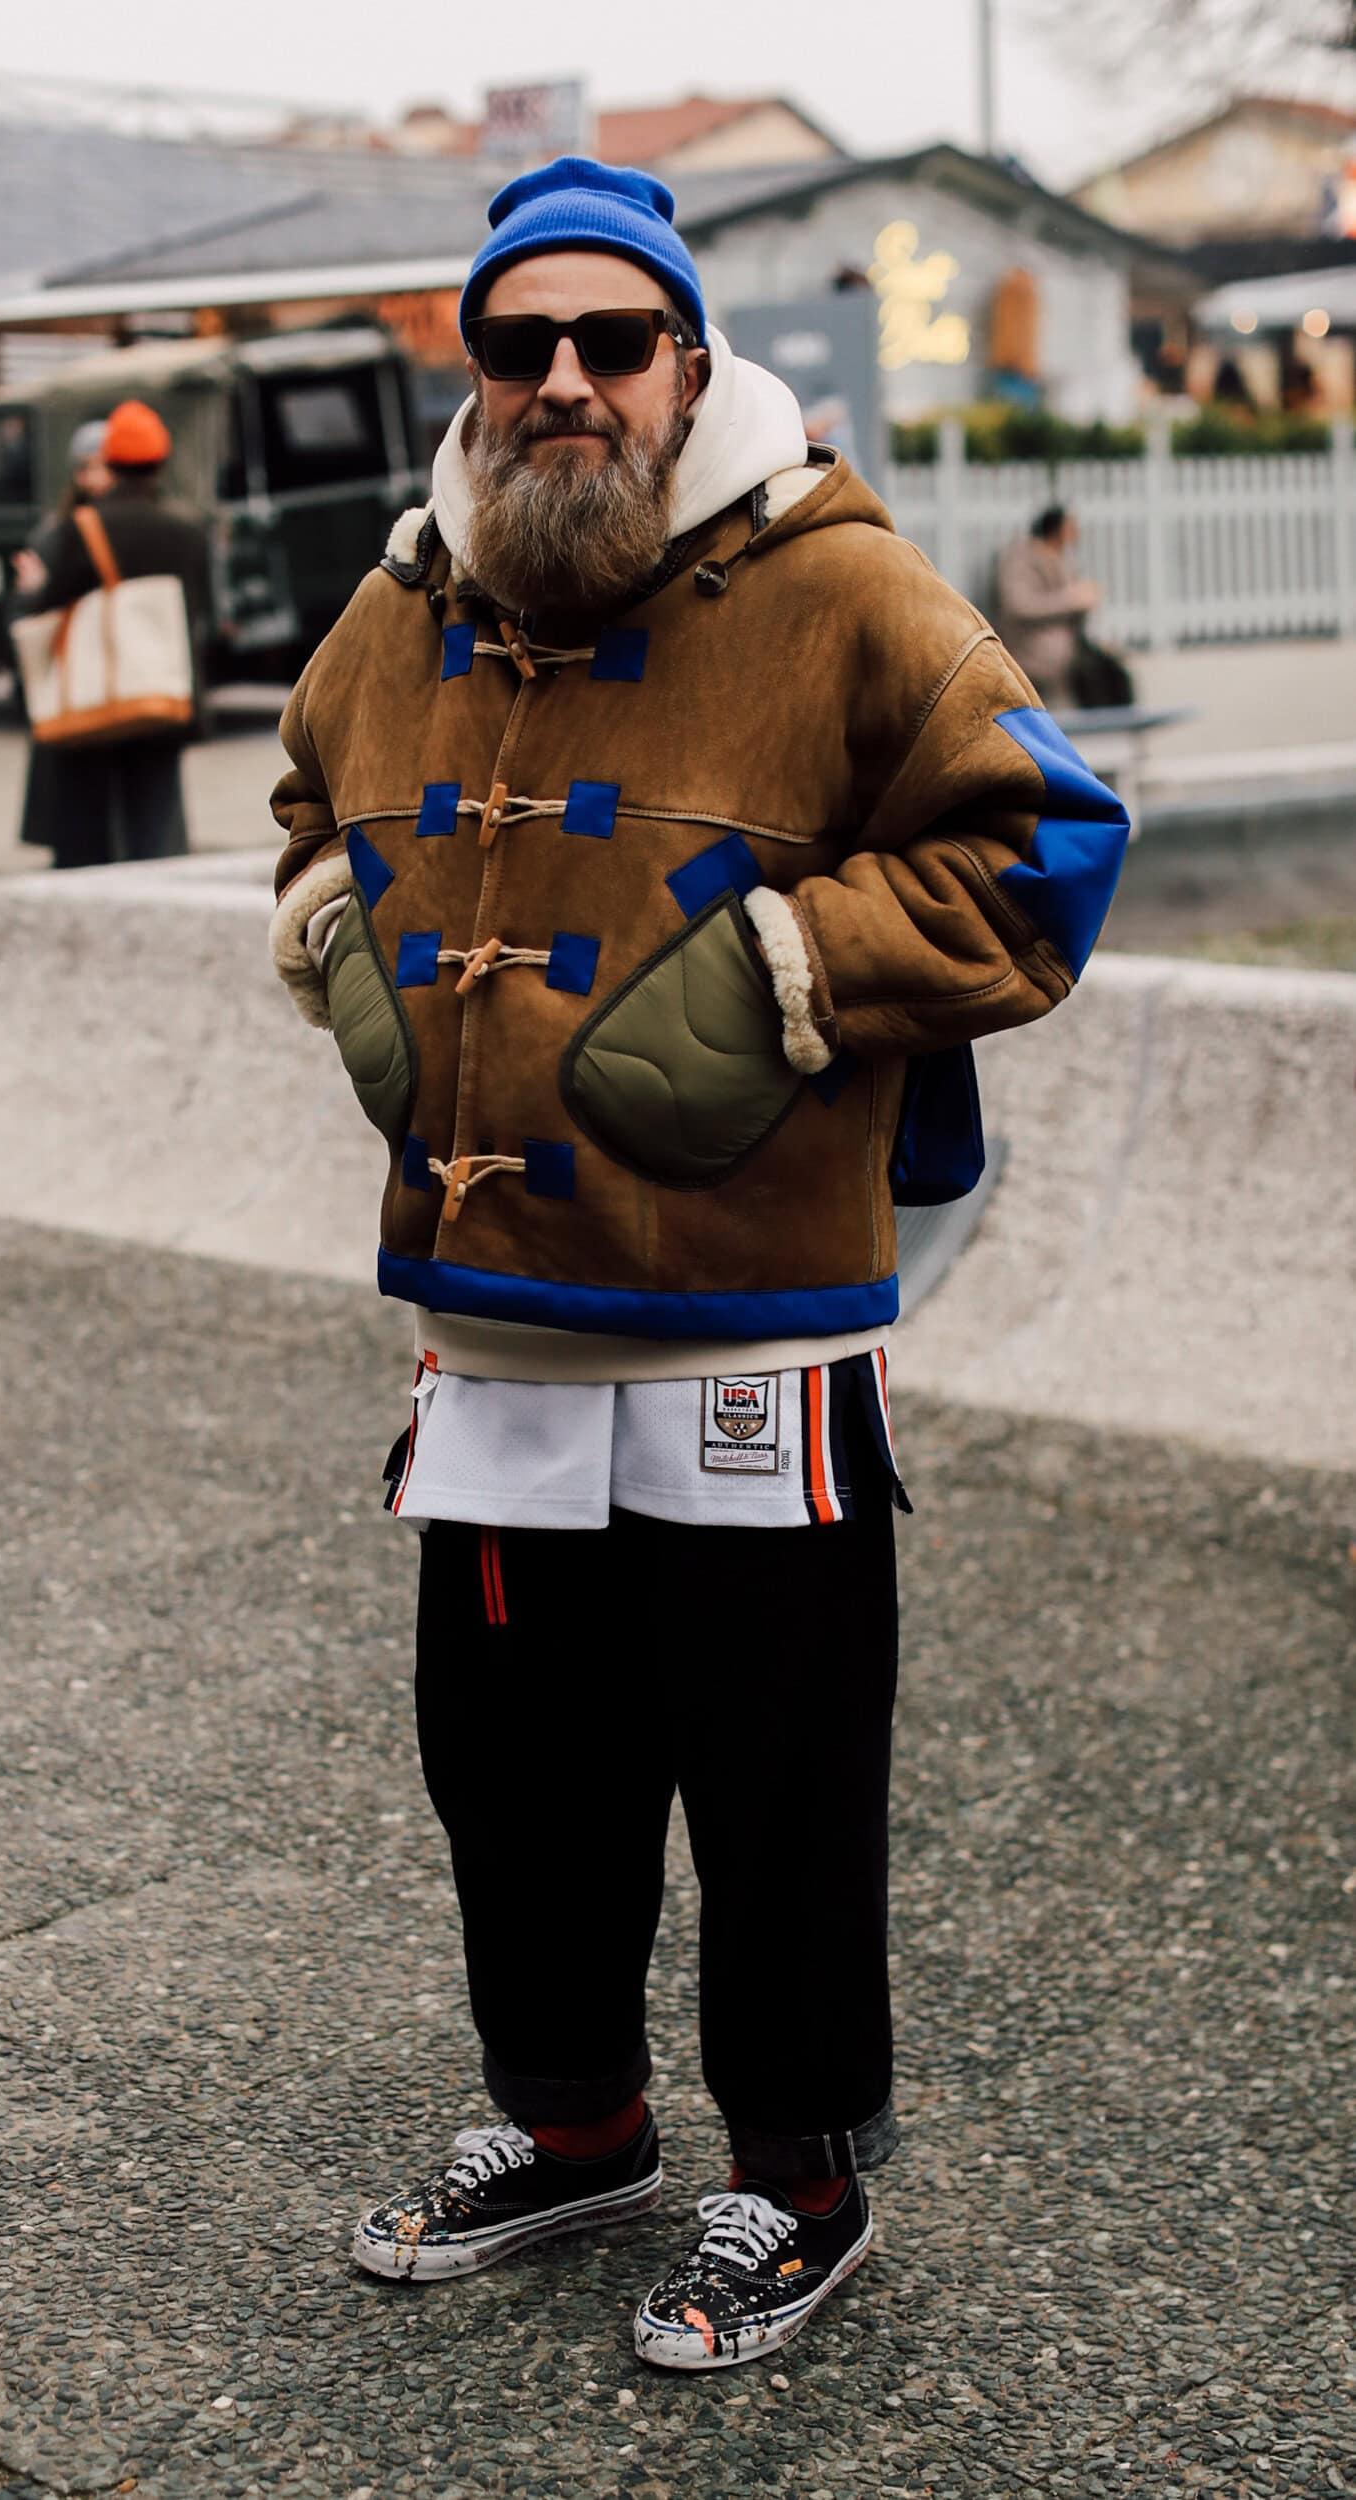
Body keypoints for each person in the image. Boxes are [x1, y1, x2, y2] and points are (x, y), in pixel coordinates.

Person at [269, 157, 1131, 2374]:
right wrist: (342, 952)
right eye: (514, 345)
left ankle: (799, 2177)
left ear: (682, 360)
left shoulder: (834, 586)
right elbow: (303, 808)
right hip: (489, 1329)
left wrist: (782, 960)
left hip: (756, 1326)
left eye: (607, 342)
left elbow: (1040, 841)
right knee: (507, 1754)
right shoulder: (401, 599)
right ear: (473, 367)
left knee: (773, 1767)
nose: (561, 382)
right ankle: (571, 2120)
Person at [14, 400, 209, 869]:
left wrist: (29, 591)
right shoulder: (188, 531)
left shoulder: (81, 529)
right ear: (160, 463)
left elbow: (46, 607)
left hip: (95, 698)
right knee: (156, 818)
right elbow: (202, 612)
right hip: (164, 692)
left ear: (111, 462)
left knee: (91, 823)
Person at [13, 419, 112, 860]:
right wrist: (32, 591)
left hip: (114, 681)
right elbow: (25, 612)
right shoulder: (59, 531)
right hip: (73, 680)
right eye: (89, 467)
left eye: (107, 466)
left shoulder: (123, 527)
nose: (98, 478)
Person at [995, 503, 1102, 710]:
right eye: (1070, 526)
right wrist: (1071, 599)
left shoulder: (1061, 559)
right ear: (1056, 528)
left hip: (1062, 670)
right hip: (1032, 664)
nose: (1076, 533)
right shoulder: (1021, 559)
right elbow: (1020, 605)